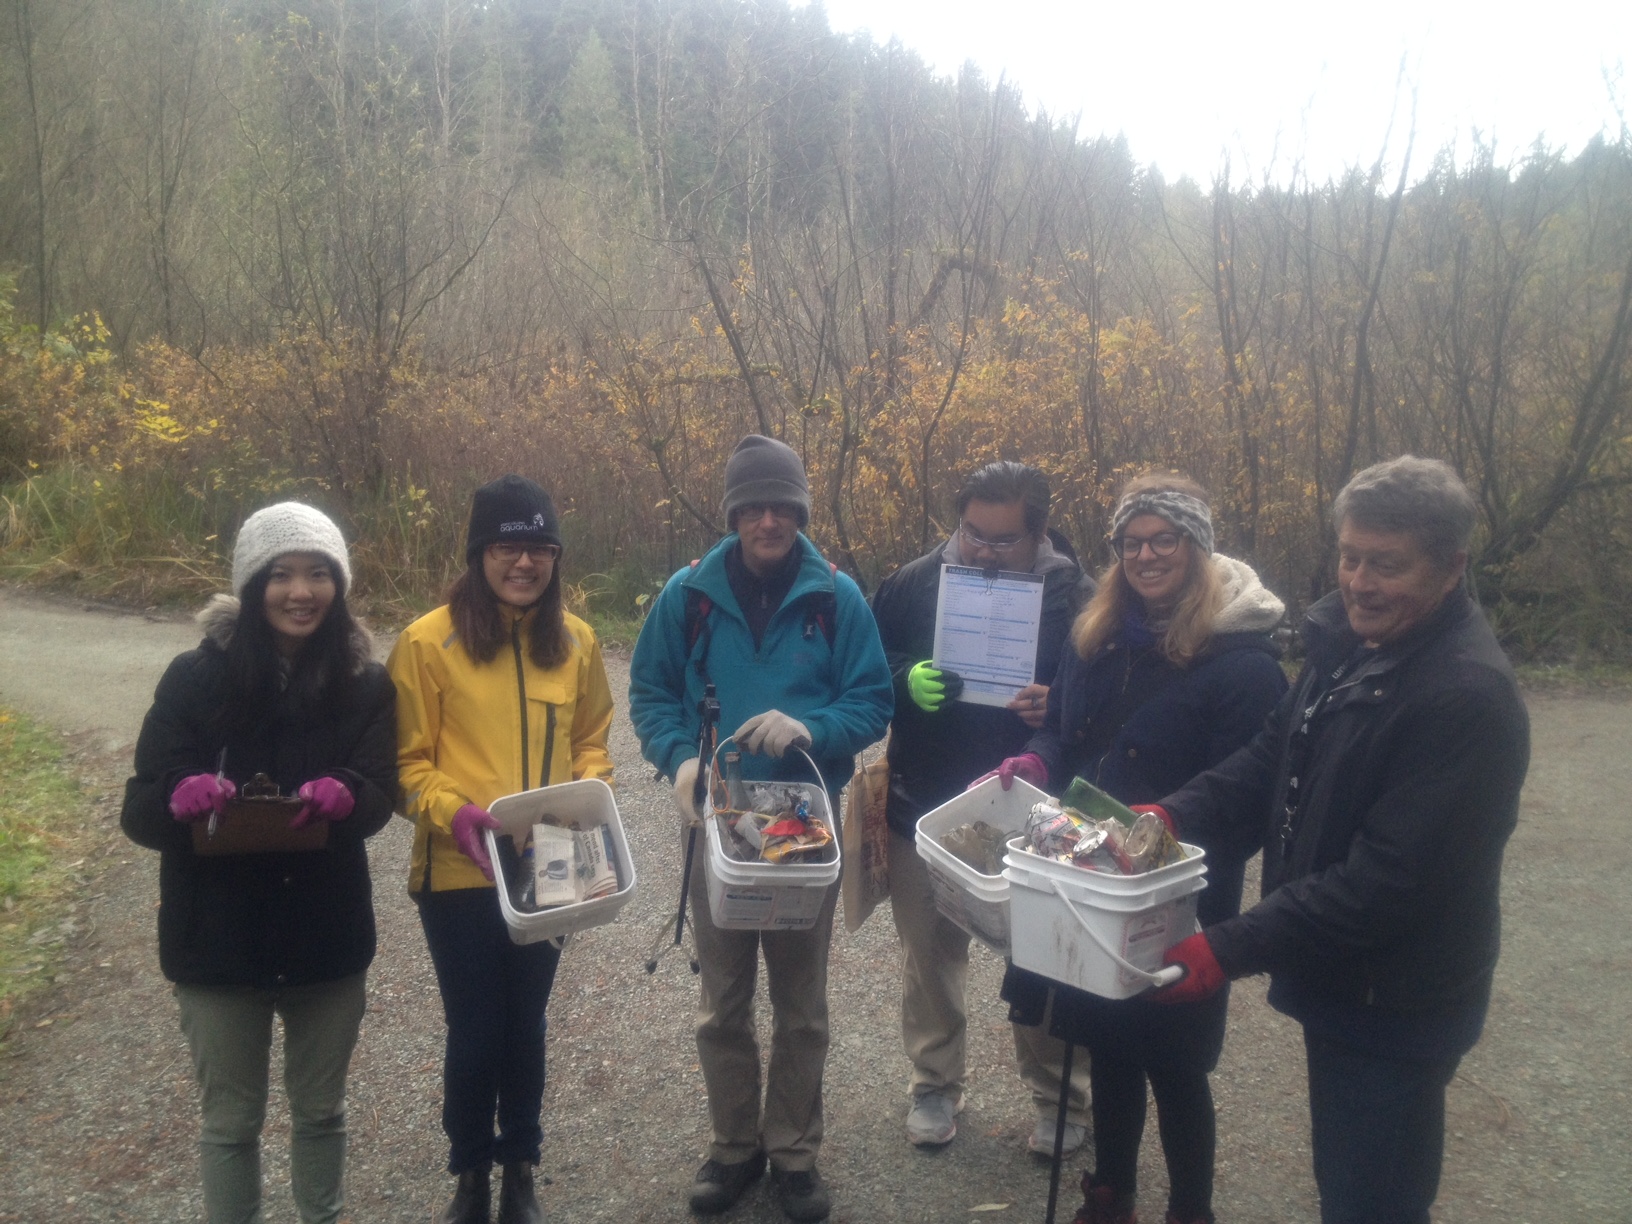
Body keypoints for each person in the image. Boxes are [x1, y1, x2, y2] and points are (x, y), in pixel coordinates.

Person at [1149, 456, 1530, 1224]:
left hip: (1396, 994)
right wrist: (1170, 814)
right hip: (1346, 978)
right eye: (1350, 557)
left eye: (1386, 565)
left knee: (1371, 1198)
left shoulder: (1466, 700)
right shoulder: (1357, 642)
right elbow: (1275, 752)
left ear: (1452, 566)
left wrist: (1228, 946)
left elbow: (1387, 883)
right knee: (1348, 1179)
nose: (1358, 581)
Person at [991, 473, 1288, 1224]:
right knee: (1108, 1042)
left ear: (1197, 547)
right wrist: (1037, 760)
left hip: (1178, 889)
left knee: (1176, 1061)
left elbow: (1250, 796)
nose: (1147, 556)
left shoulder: (1243, 664)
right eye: (1132, 543)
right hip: (1089, 875)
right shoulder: (1096, 637)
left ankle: (1191, 1209)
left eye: (1165, 540)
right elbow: (1062, 727)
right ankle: (1110, 1189)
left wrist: (1166, 837)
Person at [628, 434, 893, 1222]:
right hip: (716, 823)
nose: (769, 519)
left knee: (803, 1004)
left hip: (804, 830)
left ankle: (795, 1155)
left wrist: (810, 727)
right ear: (734, 513)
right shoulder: (688, 596)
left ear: (800, 511)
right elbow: (650, 695)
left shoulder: (837, 597)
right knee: (722, 1000)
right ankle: (734, 1147)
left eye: (784, 505)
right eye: (754, 506)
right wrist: (679, 759)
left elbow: (873, 701)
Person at [122, 502, 398, 1224]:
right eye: (280, 575)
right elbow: (138, 810)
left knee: (320, 1113)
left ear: (339, 586)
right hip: (217, 941)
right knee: (230, 1124)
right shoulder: (193, 679)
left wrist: (352, 794)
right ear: (250, 587)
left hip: (325, 940)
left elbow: (380, 793)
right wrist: (178, 797)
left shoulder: (364, 683)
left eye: (318, 574)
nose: (300, 591)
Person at [387, 475, 615, 1224]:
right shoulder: (427, 642)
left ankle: (521, 1165)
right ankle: (469, 1176)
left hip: (549, 863)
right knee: (476, 1025)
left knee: (527, 1023)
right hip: (458, 868)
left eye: (540, 548)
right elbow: (405, 764)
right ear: (480, 552)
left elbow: (591, 742)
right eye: (510, 547)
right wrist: (452, 813)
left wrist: (590, 793)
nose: (526, 563)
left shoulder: (576, 640)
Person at [869, 460, 1095, 1153]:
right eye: (973, 535)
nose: (984, 552)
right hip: (924, 803)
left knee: (1043, 958)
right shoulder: (912, 582)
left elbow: (1113, 701)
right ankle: (935, 1084)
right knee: (930, 955)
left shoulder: (1078, 599)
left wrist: (1061, 704)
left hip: (1031, 813)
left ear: (1040, 534)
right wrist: (905, 677)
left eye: (1003, 541)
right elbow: (867, 663)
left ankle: (1062, 1098)